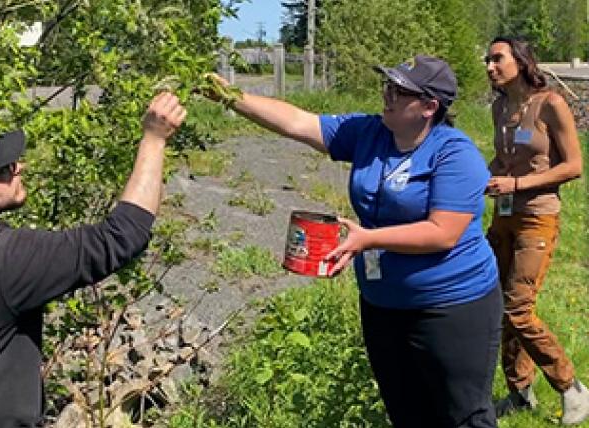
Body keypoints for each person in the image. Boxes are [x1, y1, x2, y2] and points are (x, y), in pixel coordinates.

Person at [204, 55, 502, 427]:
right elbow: (298, 122)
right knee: (406, 411)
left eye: (399, 91)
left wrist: (366, 239)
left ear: (429, 107)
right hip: (382, 301)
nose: (387, 95)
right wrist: (226, 94)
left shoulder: (454, 153)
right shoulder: (369, 132)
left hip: (452, 304)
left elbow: (443, 232)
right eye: (387, 86)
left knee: (464, 415)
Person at [0, 92, 186, 427]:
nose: (20, 168)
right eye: (5, 169)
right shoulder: (1, 260)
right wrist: (154, 139)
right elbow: (122, 236)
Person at [484, 36, 588, 425]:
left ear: (521, 60)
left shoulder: (552, 104)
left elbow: (573, 166)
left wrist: (517, 185)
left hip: (538, 217)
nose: (490, 66)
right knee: (499, 304)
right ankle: (520, 392)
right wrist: (487, 176)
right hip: (503, 216)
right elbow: (504, 158)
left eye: (498, 59)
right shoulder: (500, 108)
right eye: (487, 60)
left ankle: (572, 389)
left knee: (519, 308)